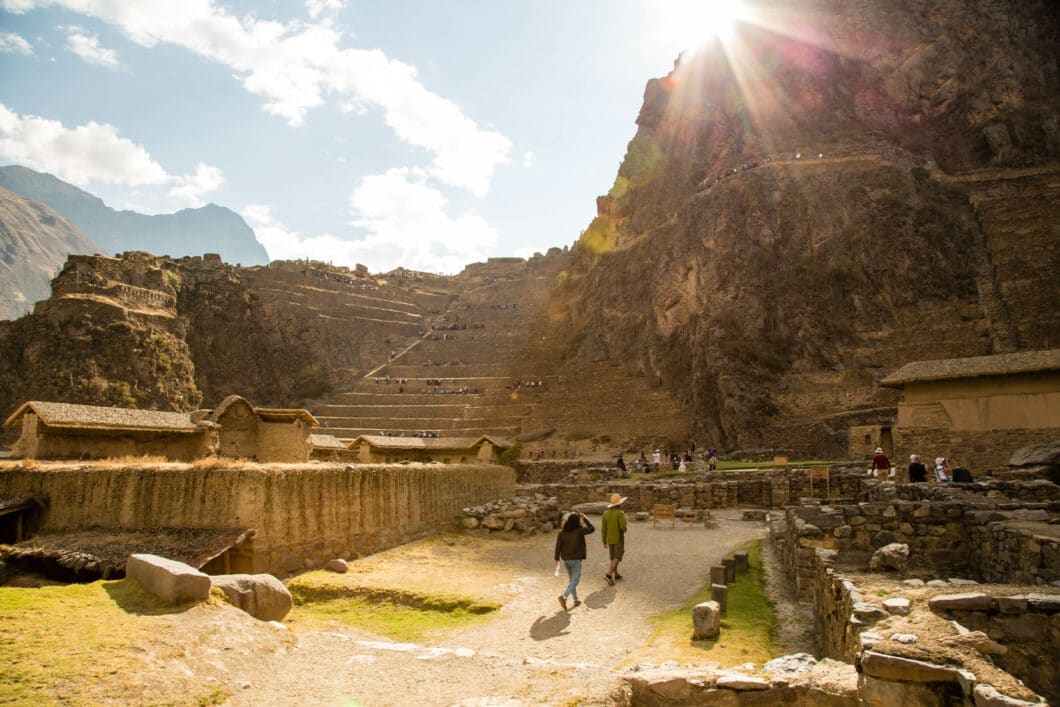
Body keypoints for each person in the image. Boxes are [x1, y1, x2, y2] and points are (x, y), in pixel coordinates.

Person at [554, 510, 594, 611]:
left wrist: (556, 558)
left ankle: (576, 600)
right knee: (575, 580)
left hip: (566, 559)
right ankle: (564, 597)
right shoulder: (579, 531)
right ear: (577, 522)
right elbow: (592, 528)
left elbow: (558, 546)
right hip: (575, 560)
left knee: (572, 580)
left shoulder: (562, 532)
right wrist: (585, 518)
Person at [601, 493, 628, 586]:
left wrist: (604, 541)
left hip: (609, 539)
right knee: (618, 556)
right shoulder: (620, 513)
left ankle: (616, 575)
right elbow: (623, 527)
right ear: (619, 504)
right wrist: (625, 529)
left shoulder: (605, 513)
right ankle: (609, 575)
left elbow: (603, 529)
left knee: (613, 557)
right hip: (618, 538)